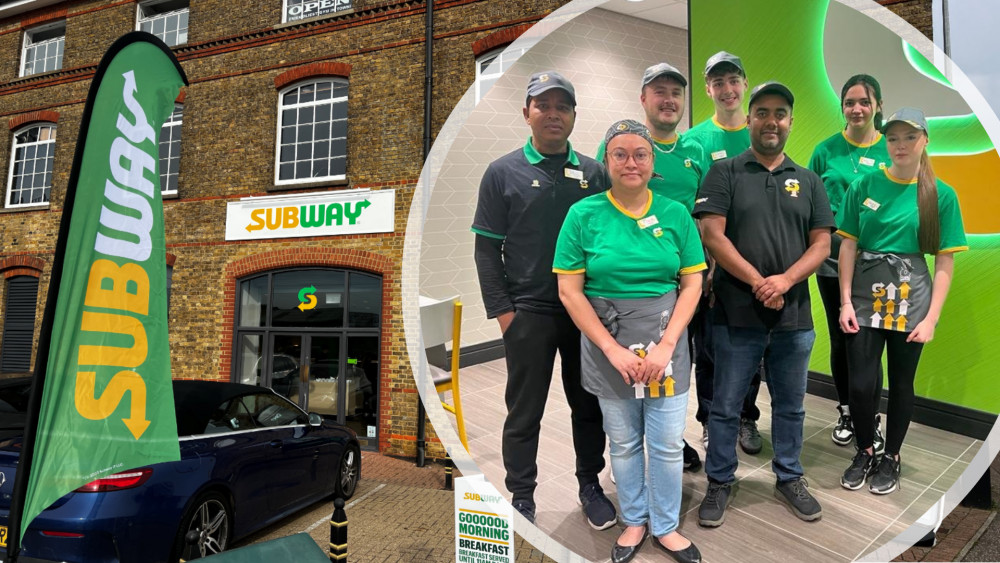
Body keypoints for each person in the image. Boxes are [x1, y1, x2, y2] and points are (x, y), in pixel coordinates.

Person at [471, 71, 616, 528]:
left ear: (574, 115)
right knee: (524, 409)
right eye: (544, 105)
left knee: (588, 404)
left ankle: (590, 485)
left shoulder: (595, 173)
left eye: (563, 106)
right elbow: (485, 249)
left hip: (585, 312)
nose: (553, 114)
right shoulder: (502, 172)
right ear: (527, 112)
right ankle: (521, 495)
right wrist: (504, 314)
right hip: (528, 313)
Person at [556, 119, 705, 563]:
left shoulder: (676, 214)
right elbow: (569, 290)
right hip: (608, 344)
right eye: (619, 153)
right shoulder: (584, 215)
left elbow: (693, 283)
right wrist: (612, 349)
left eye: (639, 153)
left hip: (666, 342)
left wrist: (665, 345)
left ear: (652, 161)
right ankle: (635, 519)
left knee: (663, 440)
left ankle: (665, 525)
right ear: (606, 161)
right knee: (621, 442)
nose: (630, 162)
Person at [693, 82, 835, 527]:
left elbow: (822, 242)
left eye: (780, 113)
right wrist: (759, 282)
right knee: (725, 406)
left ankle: (789, 476)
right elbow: (712, 234)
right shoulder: (724, 173)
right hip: (735, 316)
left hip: (794, 318)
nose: (771, 121)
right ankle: (719, 482)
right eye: (762, 112)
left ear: (790, 121)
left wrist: (786, 280)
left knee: (791, 406)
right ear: (750, 119)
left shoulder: (809, 180)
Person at [836, 107, 967, 494]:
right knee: (860, 385)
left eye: (909, 137)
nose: (900, 145)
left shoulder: (940, 195)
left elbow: (944, 260)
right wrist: (844, 300)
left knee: (901, 383)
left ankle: (891, 456)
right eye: (892, 137)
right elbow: (848, 245)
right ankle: (864, 449)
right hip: (863, 295)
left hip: (912, 298)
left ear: (925, 140)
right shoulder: (864, 186)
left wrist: (932, 318)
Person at [595, 62, 709, 473]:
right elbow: (600, 207)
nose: (668, 99)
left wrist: (699, 274)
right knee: (629, 361)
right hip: (626, 285)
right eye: (659, 91)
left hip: (683, 276)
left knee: (674, 360)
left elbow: (704, 213)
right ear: (643, 98)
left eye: (676, 92)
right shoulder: (618, 146)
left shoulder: (695, 151)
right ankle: (633, 444)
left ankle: (671, 436)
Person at [685, 51, 764, 456]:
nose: (727, 89)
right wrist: (706, 268)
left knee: (751, 346)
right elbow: (695, 211)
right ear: (708, 88)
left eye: (733, 79)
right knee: (711, 348)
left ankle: (747, 417)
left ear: (744, 83)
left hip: (754, 266)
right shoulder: (695, 141)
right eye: (718, 82)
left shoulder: (761, 133)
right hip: (710, 267)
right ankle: (711, 420)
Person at [808, 74, 890, 452]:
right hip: (831, 261)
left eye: (864, 101)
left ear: (877, 106)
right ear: (842, 107)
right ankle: (845, 411)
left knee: (872, 341)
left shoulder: (893, 149)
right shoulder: (825, 151)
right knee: (842, 337)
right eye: (849, 102)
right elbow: (810, 205)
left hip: (878, 261)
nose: (857, 109)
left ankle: (870, 416)